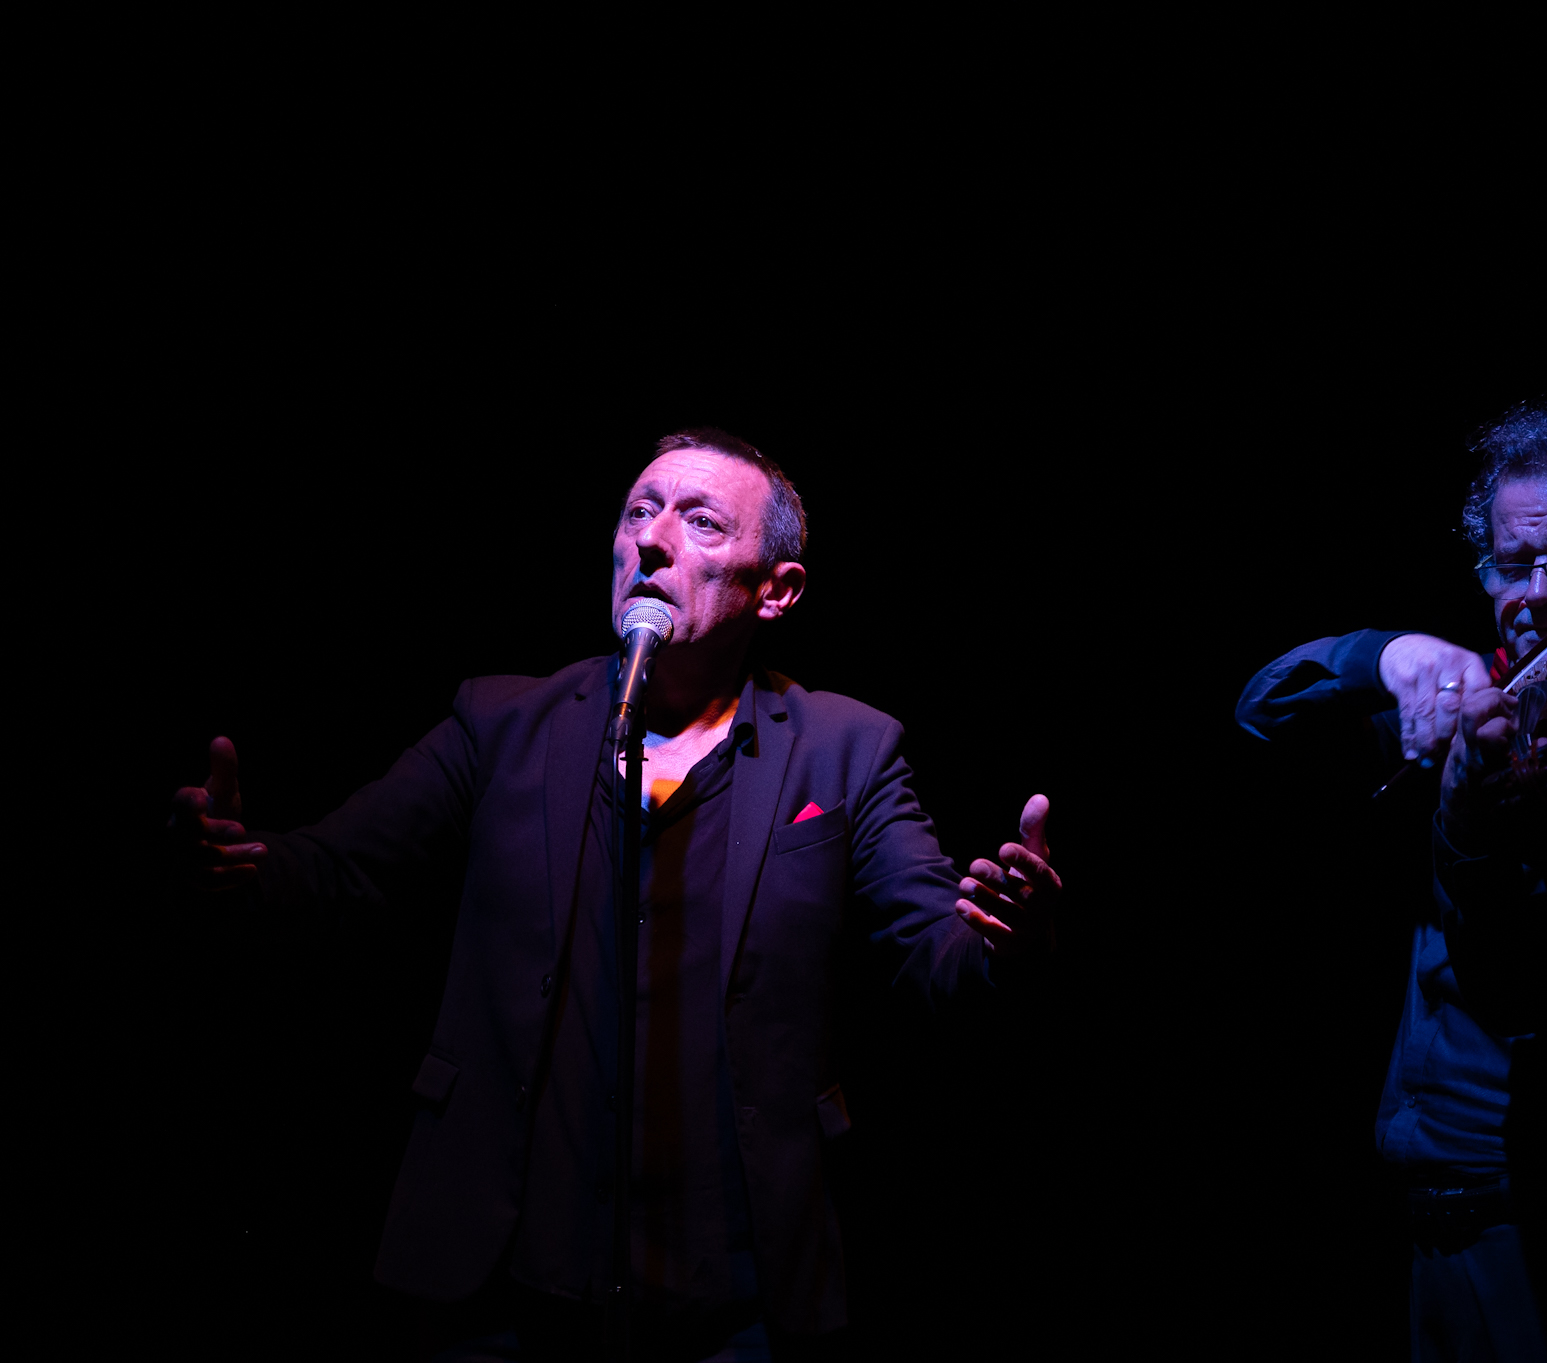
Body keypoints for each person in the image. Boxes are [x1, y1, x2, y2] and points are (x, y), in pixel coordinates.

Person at [168, 428, 1061, 1360]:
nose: (653, 539)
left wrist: (1008, 936)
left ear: (777, 590)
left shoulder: (846, 751)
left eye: (701, 522)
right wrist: (234, 864)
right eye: (639, 511)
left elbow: (937, 951)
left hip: (736, 1298)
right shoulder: (501, 722)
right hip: (502, 1286)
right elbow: (338, 871)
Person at [1237, 397, 1547, 1361]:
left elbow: (1527, 985)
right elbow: (1263, 713)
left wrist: (1472, 822)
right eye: (1515, 565)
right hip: (1440, 1227)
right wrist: (1390, 653)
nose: (1543, 594)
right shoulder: (1484, 698)